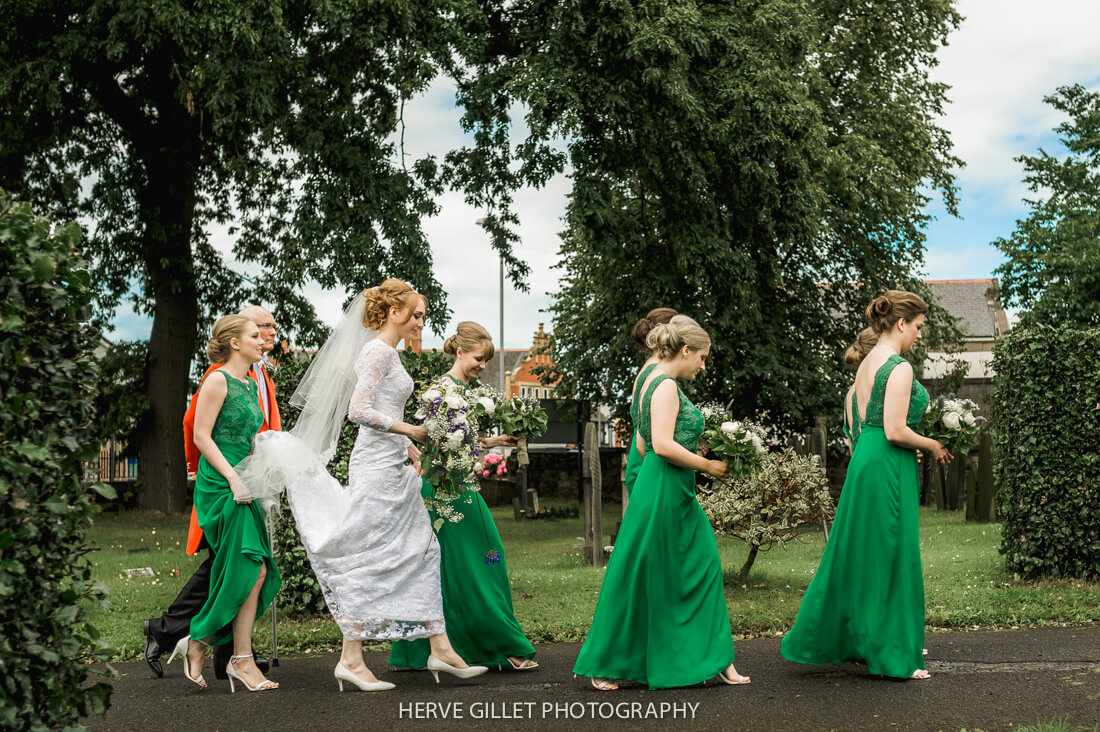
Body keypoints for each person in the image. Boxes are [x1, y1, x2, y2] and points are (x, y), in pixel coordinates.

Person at [242, 280, 487, 692]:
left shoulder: (389, 353)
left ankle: (440, 648)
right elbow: (359, 410)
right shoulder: (376, 351)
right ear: (395, 312)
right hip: (374, 468)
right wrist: (412, 429)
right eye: (416, 315)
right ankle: (352, 659)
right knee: (369, 554)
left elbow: (384, 410)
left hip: (394, 462)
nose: (420, 323)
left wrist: (408, 444)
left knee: (425, 550)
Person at [781, 290, 951, 680]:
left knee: (864, 552)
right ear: (902, 323)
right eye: (919, 327)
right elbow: (894, 429)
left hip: (866, 461)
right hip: (887, 463)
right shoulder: (898, 365)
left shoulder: (867, 363)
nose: (920, 335)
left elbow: (867, 424)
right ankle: (893, 654)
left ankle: (866, 639)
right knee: (892, 551)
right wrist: (932, 444)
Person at [573, 315, 749, 690]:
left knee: (677, 569)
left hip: (662, 484)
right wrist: (709, 465)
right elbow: (664, 445)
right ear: (686, 350)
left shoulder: (647, 380)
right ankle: (607, 662)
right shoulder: (665, 385)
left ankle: (717, 659)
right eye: (701, 357)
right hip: (668, 487)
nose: (703, 365)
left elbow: (642, 444)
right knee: (659, 571)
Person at [388, 321, 538, 672]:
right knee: (465, 564)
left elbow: (464, 442)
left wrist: (498, 441)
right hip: (445, 491)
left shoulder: (467, 391)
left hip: (462, 486)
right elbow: (435, 441)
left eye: (486, 361)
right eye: (478, 359)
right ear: (460, 352)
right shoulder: (442, 390)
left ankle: (463, 646)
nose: (483, 366)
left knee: (481, 559)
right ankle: (501, 646)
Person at [143, 305, 280, 679]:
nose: (264, 340)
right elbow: (200, 435)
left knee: (254, 569)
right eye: (255, 335)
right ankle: (228, 653)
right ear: (235, 342)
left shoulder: (252, 381)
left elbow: (256, 434)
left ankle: (210, 646)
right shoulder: (217, 380)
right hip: (222, 481)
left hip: (246, 477)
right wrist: (234, 478)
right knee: (247, 567)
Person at [625, 308, 677, 496]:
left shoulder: (652, 368)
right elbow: (644, 434)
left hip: (643, 462)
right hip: (647, 465)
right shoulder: (657, 372)